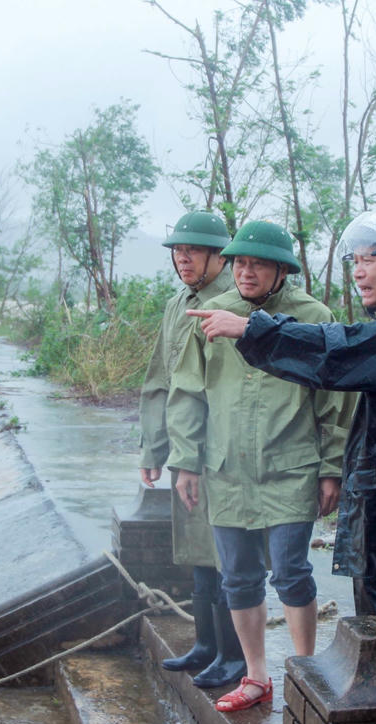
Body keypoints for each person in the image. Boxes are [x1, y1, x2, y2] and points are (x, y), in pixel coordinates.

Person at [188, 210, 376, 624]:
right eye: (354, 261)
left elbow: (337, 349)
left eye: (370, 258)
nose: (359, 272)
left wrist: (252, 330)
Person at [166, 220, 352, 712]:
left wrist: (331, 467)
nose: (246, 272)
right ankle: (256, 676)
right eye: (240, 263)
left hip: (291, 465)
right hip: (225, 466)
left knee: (291, 571)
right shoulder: (212, 315)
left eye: (258, 263)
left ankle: (306, 671)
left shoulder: (313, 317)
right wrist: (186, 461)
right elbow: (187, 392)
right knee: (238, 576)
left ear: (281, 270)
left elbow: (334, 400)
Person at [138, 210, 246, 689]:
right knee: (199, 551)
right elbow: (160, 380)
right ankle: (207, 644)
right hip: (187, 444)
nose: (183, 258)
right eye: (178, 251)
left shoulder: (234, 303)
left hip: (222, 446)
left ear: (218, 255)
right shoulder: (177, 303)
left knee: (229, 554)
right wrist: (153, 448)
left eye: (193, 251)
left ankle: (234, 654)